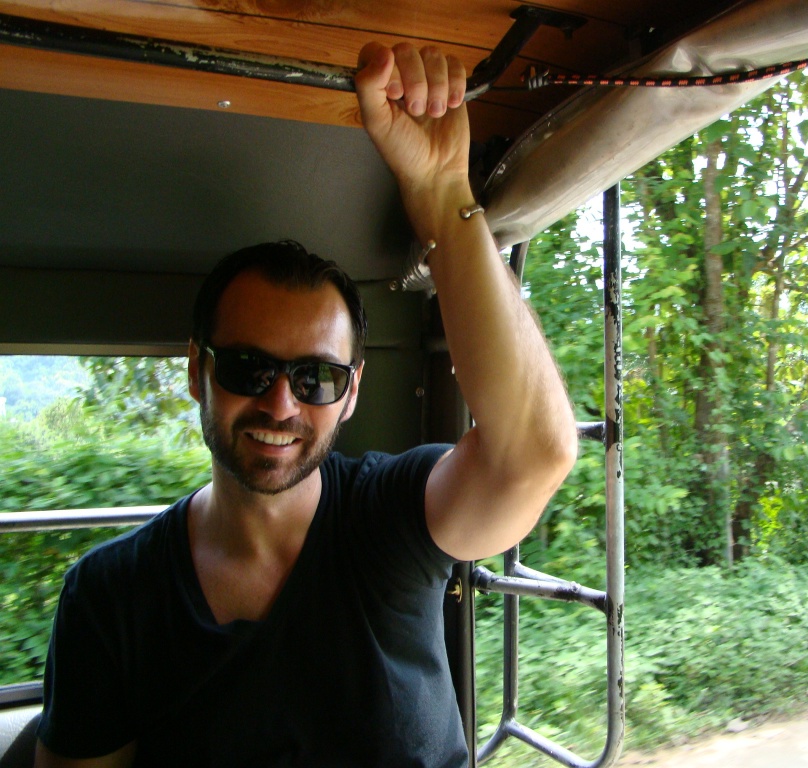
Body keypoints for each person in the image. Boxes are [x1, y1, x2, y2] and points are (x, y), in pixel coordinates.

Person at [34, 41, 578, 768]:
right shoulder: (111, 596)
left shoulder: (391, 517)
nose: (280, 403)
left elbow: (534, 453)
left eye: (316, 377)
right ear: (197, 370)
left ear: (351, 392)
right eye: (248, 367)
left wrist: (443, 191)